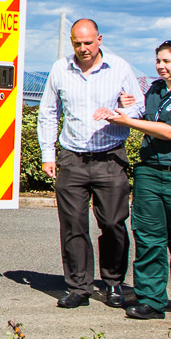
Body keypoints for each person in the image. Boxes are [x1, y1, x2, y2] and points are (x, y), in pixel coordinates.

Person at [94, 40, 171, 321]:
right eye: (158, 60)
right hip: (150, 173)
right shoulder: (156, 90)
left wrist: (128, 122)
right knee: (148, 238)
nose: (160, 66)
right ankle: (151, 300)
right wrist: (128, 107)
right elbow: (144, 114)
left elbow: (170, 132)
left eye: (167, 61)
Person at [36, 19, 143, 308]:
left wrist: (121, 110)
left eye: (88, 43)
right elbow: (48, 111)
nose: (82, 48)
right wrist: (49, 154)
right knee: (73, 225)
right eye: (77, 43)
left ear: (99, 40)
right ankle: (78, 288)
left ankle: (113, 283)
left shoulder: (119, 68)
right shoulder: (60, 69)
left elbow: (139, 106)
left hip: (110, 156)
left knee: (113, 223)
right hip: (72, 157)